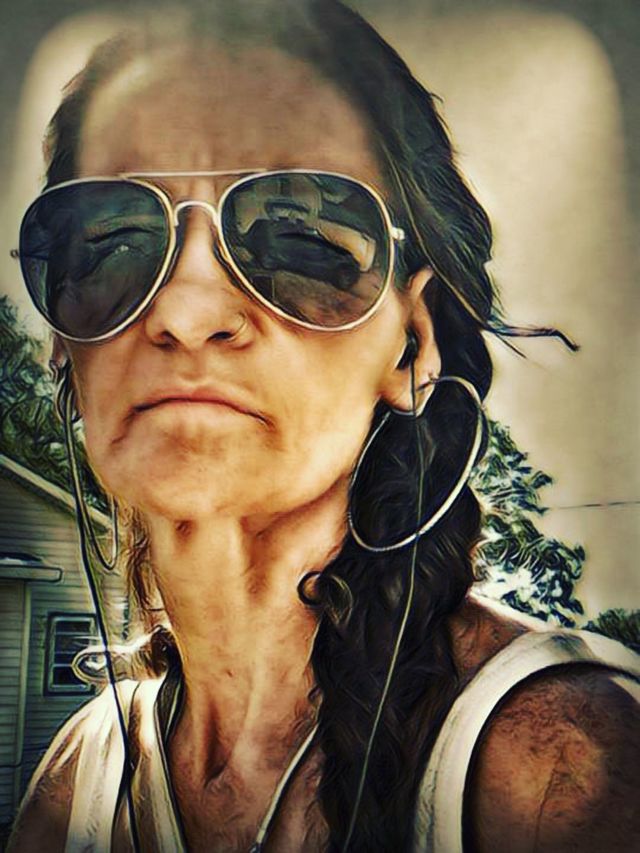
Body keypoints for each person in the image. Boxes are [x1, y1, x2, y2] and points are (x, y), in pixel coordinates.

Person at [7, 1, 640, 850]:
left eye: (300, 239)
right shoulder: (70, 793)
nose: (187, 310)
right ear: (63, 344)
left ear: (413, 344)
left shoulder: (562, 772)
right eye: (110, 240)